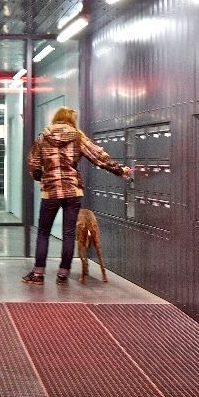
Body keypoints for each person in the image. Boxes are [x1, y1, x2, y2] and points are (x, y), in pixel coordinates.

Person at [24, 107, 130, 286]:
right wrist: (119, 170)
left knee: (43, 233)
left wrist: (40, 176)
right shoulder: (78, 137)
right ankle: (63, 275)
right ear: (71, 120)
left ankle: (38, 274)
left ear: (56, 118)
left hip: (51, 191)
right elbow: (98, 156)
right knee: (68, 233)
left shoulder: (43, 137)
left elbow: (33, 163)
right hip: (73, 191)